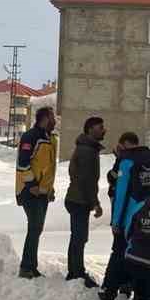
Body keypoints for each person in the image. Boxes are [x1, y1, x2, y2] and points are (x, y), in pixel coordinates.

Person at [100, 137, 150, 300]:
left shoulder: (127, 162)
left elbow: (121, 193)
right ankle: (140, 295)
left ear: (124, 148)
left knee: (119, 254)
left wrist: (116, 222)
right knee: (144, 256)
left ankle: (108, 291)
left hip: (129, 219)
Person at [15, 105, 57, 278]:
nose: (55, 121)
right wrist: (31, 183)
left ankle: (31, 266)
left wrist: (49, 188)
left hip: (42, 192)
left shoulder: (49, 139)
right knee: (34, 227)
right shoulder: (31, 137)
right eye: (53, 117)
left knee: (36, 228)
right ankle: (26, 267)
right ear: (45, 119)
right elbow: (22, 163)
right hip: (30, 191)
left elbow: (47, 168)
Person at [64, 116, 105, 285]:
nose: (104, 130)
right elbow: (86, 180)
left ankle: (75, 271)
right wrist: (95, 203)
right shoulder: (87, 151)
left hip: (77, 198)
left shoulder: (86, 148)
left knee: (78, 237)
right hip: (79, 199)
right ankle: (76, 273)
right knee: (79, 237)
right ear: (90, 130)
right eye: (100, 127)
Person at [103, 130, 139, 294]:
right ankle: (120, 284)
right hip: (122, 213)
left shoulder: (131, 162)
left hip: (128, 216)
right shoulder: (123, 161)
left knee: (123, 251)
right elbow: (112, 178)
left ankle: (120, 285)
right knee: (121, 251)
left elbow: (116, 182)